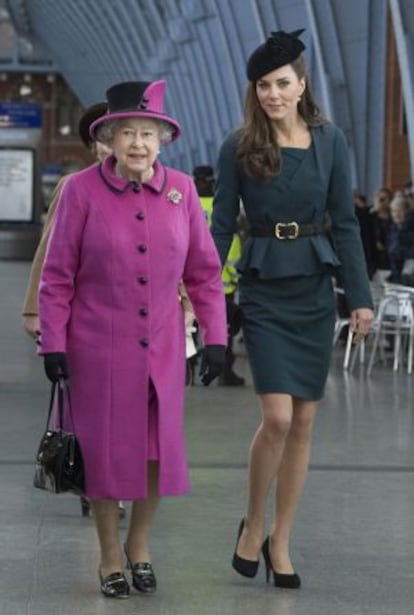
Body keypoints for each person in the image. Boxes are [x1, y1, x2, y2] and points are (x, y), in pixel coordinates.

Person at [37, 79, 227, 598]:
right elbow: (57, 276)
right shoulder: (81, 191)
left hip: (163, 348)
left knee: (154, 452)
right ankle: (107, 554)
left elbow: (205, 273)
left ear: (163, 139)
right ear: (110, 140)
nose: (138, 144)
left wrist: (215, 337)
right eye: (128, 133)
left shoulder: (182, 190)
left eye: (148, 133)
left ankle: (139, 545)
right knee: (102, 455)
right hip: (96, 348)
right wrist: (52, 342)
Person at [210, 29, 373, 589]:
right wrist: (203, 289)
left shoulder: (332, 143)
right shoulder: (237, 145)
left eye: (282, 84)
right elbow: (220, 225)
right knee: (276, 416)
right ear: (254, 91)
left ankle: (282, 537)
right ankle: (252, 523)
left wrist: (360, 298)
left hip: (313, 285)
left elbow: (346, 224)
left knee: (304, 420)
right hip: (262, 283)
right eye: (263, 86)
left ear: (302, 84)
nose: (273, 94)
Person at [21, 103, 126, 520]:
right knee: (90, 408)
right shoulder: (73, 187)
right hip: (82, 318)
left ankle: (111, 483)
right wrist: (36, 313)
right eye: (100, 140)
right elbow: (48, 253)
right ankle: (95, 482)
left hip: (130, 319)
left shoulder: (146, 188)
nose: (107, 148)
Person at [193, 164, 245, 386]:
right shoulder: (219, 204)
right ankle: (225, 371)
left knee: (190, 327)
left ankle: (189, 371)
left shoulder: (187, 203)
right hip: (223, 284)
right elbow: (231, 241)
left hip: (191, 281)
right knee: (224, 327)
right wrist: (234, 274)